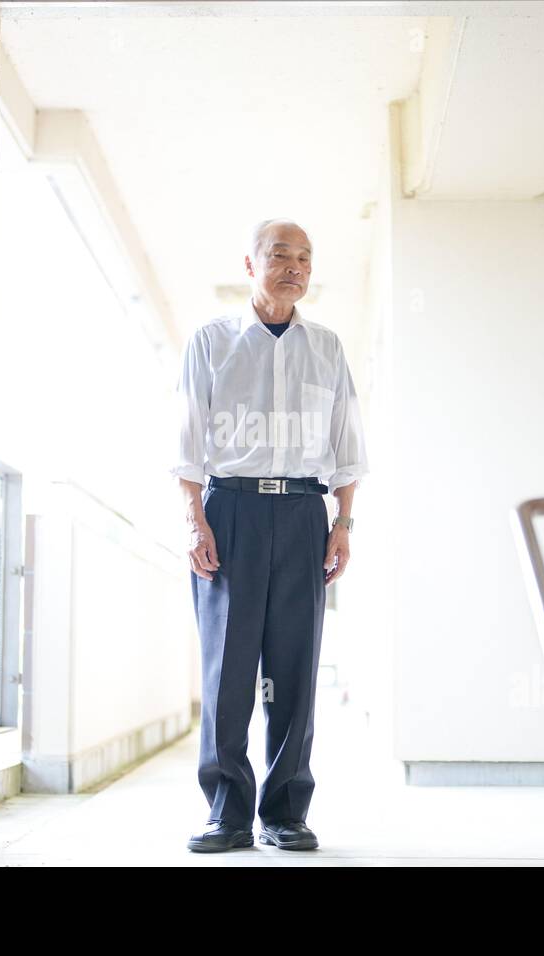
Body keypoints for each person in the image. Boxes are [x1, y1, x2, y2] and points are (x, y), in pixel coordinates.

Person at [169, 218, 370, 852]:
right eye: (280, 255)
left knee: (295, 664)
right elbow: (186, 442)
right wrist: (194, 518)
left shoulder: (328, 348)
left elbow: (346, 444)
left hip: (305, 515)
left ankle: (285, 811)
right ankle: (228, 812)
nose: (295, 267)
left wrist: (343, 523)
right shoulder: (211, 342)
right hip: (232, 511)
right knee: (228, 667)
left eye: (306, 258)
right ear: (250, 265)